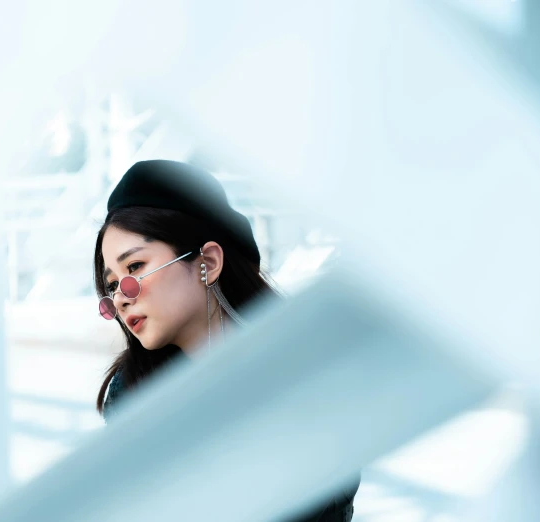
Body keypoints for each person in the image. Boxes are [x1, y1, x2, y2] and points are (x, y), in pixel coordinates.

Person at [92, 159, 359, 521]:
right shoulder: (131, 394)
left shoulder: (303, 372)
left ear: (208, 262)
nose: (121, 297)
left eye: (134, 267)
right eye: (111, 285)